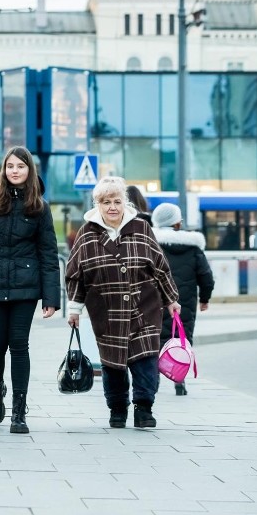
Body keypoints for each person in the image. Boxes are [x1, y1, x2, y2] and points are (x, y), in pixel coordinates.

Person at [66, 176, 181, 429]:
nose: (112, 207)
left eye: (117, 201)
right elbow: (75, 274)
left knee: (145, 359)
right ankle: (117, 409)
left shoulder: (141, 227)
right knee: (113, 364)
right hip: (106, 310)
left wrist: (171, 299)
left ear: (124, 202)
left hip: (145, 307)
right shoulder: (87, 234)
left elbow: (160, 267)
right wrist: (74, 308)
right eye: (106, 202)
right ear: (98, 204)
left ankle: (144, 408)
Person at [0, 146, 61, 434]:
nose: (15, 170)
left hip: (24, 289)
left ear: (30, 170)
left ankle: (19, 410)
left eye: (20, 166)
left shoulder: (39, 207)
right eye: (10, 166)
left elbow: (48, 254)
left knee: (19, 346)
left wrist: (51, 298)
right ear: (3, 171)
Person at [151, 202, 215, 396]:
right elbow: (207, 277)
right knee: (181, 339)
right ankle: (179, 380)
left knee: (154, 341)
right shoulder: (194, 248)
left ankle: (152, 382)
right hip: (184, 304)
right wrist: (204, 299)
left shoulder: (150, 245)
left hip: (154, 301)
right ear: (177, 223)